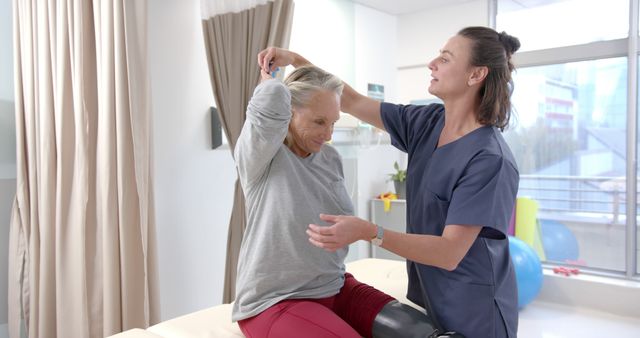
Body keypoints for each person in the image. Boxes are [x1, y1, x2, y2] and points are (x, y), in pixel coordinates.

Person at [258, 26, 521, 338]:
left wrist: (370, 231)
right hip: (433, 296)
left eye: (445, 59)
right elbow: (350, 100)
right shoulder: (426, 122)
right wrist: (296, 60)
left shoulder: (490, 159)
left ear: (475, 75)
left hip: (475, 308)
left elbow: (449, 253)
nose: (432, 63)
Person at [232, 65, 445, 337]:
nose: (329, 134)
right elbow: (270, 100)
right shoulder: (262, 157)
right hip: (276, 300)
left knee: (428, 334)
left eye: (333, 122)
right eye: (319, 122)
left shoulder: (331, 158)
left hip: (336, 287)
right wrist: (269, 80)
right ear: (288, 111)